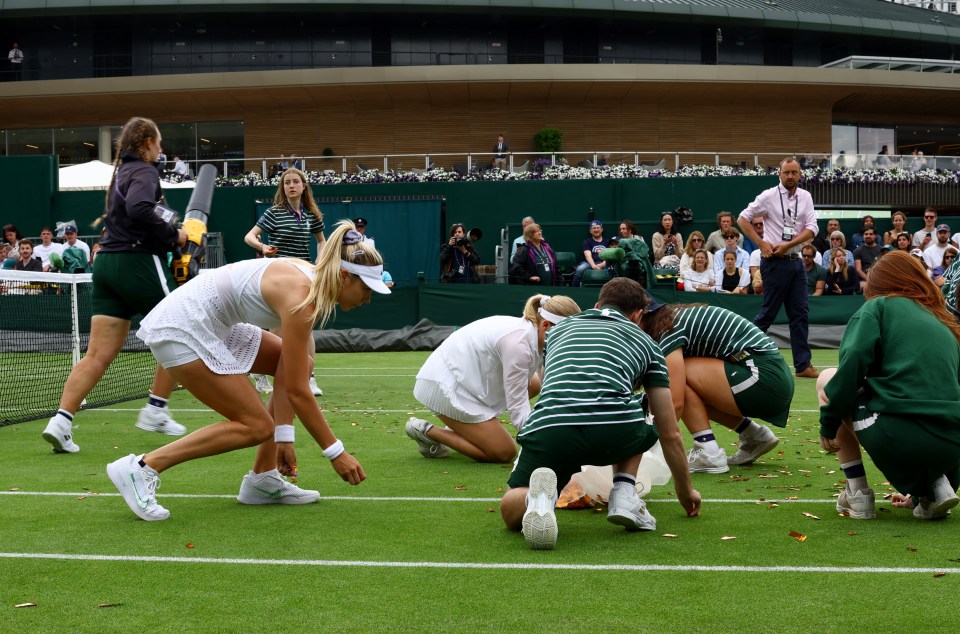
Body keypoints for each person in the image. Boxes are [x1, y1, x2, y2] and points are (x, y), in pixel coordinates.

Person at [106, 220, 390, 521]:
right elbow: (296, 390)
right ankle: (141, 468)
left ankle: (262, 479)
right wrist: (336, 453)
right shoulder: (301, 298)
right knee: (256, 425)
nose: (368, 298)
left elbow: (292, 374)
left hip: (215, 322)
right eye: (366, 289)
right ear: (345, 276)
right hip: (183, 326)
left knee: (300, 364)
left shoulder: (311, 285)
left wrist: (285, 437)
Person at [499, 278, 701, 550]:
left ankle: (536, 500)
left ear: (596, 305)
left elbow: (556, 388)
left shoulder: (558, 331)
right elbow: (669, 429)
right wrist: (685, 491)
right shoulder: (648, 343)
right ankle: (625, 491)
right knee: (639, 407)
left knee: (510, 509)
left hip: (551, 426)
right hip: (615, 432)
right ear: (638, 315)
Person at [42, 117, 190, 455]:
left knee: (97, 354)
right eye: (160, 143)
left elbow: (141, 211)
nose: (162, 149)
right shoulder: (145, 172)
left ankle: (61, 423)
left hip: (107, 266)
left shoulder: (123, 172)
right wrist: (175, 235)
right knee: (183, 329)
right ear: (147, 143)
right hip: (135, 263)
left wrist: (172, 228)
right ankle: (156, 408)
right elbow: (140, 209)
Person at [818, 251, 960, 521]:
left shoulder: (878, 307)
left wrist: (828, 424)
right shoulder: (943, 320)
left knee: (827, 378)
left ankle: (857, 494)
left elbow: (852, 366)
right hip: (952, 444)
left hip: (899, 434)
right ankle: (931, 490)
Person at [405, 294, 581, 463]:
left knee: (534, 384)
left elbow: (551, 386)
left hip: (468, 378)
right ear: (546, 325)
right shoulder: (518, 344)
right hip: (443, 385)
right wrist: (541, 447)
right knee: (503, 452)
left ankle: (466, 429)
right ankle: (426, 431)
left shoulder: (535, 332)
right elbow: (518, 407)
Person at [640, 302, 792, 475]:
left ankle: (708, 452)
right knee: (686, 381)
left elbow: (674, 403)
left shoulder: (668, 329)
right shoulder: (671, 318)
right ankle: (754, 435)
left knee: (680, 378)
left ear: (638, 316)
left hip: (762, 377)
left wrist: (646, 450)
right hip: (770, 376)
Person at [243, 166, 327, 396]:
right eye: (287, 182)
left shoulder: (312, 215)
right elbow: (249, 236)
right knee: (276, 331)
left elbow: (322, 241)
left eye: (295, 182)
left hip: (304, 276)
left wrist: (320, 261)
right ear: (283, 188)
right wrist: (262, 246)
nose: (291, 185)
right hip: (278, 275)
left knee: (306, 327)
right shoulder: (274, 212)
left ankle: (309, 377)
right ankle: (259, 372)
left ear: (303, 186)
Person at [737, 156, 820, 379]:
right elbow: (743, 219)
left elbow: (812, 229)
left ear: (800, 174)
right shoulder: (768, 196)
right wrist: (761, 243)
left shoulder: (806, 197)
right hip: (774, 262)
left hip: (796, 262)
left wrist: (789, 245)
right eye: (787, 173)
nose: (791, 176)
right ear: (779, 174)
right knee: (768, 313)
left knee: (800, 314)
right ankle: (740, 353)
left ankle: (802, 365)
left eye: (794, 172)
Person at [570, 220, 610, 287]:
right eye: (593, 228)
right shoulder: (587, 242)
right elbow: (587, 255)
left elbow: (610, 256)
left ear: (602, 229)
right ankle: (575, 289)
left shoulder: (608, 242)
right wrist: (594, 266)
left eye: (598, 227)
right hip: (589, 263)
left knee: (612, 271)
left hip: (604, 262)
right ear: (590, 231)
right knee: (580, 269)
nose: (596, 230)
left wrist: (602, 264)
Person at [853, 226, 880, 291]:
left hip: (879, 278)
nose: (868, 236)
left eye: (871, 234)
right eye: (866, 234)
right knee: (865, 287)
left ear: (875, 236)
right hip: (864, 279)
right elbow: (858, 270)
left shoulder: (882, 250)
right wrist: (870, 280)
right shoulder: (857, 251)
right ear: (863, 236)